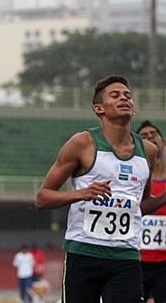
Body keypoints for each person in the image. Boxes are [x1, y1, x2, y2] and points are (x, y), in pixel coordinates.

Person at [35, 75, 166, 303]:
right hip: (84, 252)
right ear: (98, 108)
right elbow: (42, 198)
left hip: (126, 256)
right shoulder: (82, 143)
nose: (124, 99)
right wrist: (81, 193)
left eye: (128, 96)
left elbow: (140, 206)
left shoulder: (148, 151)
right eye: (115, 96)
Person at [137, 120, 166, 303]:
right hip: (135, 261)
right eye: (144, 136)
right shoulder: (135, 178)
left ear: (162, 141)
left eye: (154, 134)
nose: (150, 138)